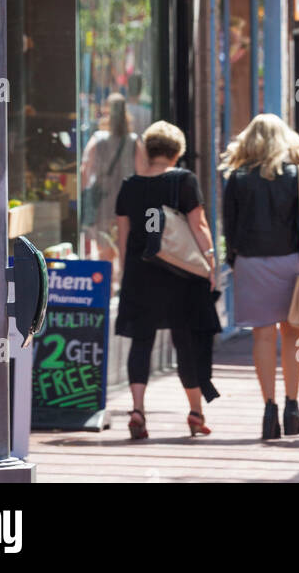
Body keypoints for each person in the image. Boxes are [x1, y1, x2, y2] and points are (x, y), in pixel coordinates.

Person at [114, 120, 219, 440]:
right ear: (177, 152)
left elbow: (123, 234)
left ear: (147, 149)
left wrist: (123, 270)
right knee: (186, 340)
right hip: (180, 275)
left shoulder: (129, 184)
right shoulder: (183, 181)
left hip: (139, 272)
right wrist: (211, 262)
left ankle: (137, 410)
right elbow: (198, 224)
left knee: (141, 341)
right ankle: (195, 412)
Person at [221, 114, 299, 441]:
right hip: (292, 261)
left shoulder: (237, 177)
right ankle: (293, 406)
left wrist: (234, 258)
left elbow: (230, 226)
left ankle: (269, 410)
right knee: (294, 336)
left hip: (251, 262)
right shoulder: (298, 174)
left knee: (262, 337)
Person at [82, 93, 146, 267]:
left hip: (103, 201)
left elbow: (84, 169)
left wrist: (86, 191)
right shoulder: (133, 141)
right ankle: (122, 284)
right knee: (124, 247)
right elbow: (142, 174)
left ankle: (107, 288)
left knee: (104, 250)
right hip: (127, 201)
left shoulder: (97, 138)